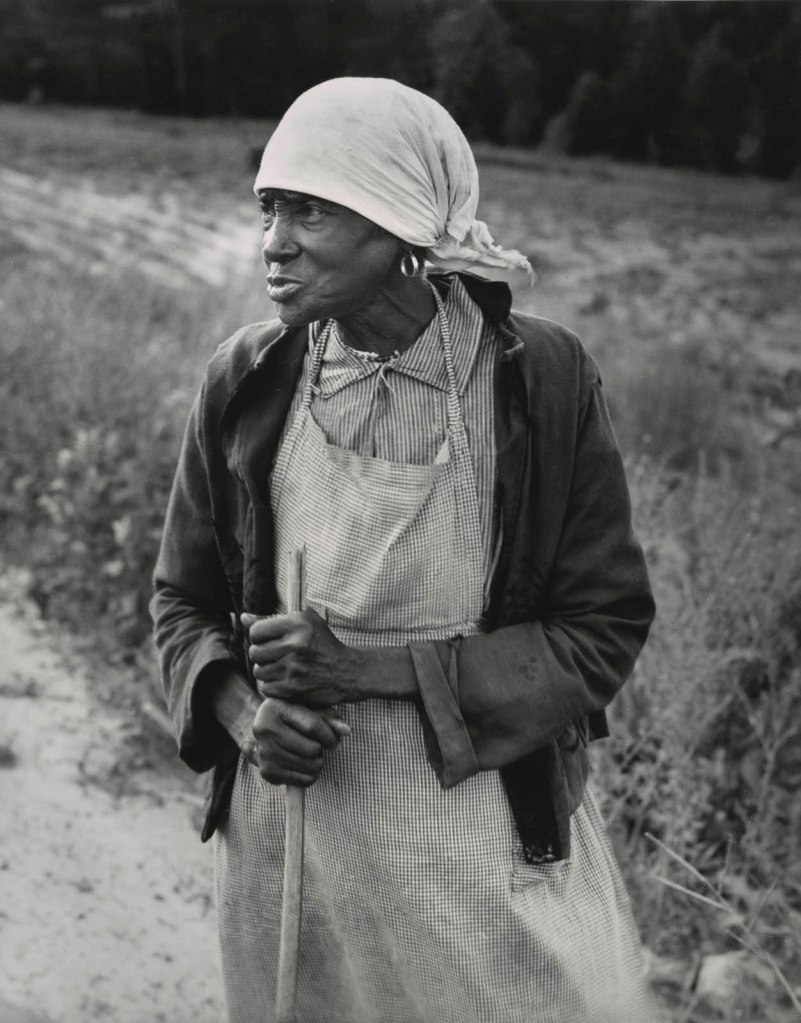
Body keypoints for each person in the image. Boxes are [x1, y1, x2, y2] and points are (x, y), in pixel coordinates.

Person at [151, 77, 656, 1023]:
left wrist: (362, 669)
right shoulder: (246, 379)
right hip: (292, 852)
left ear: (395, 223)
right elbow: (182, 601)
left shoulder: (535, 382)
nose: (274, 244)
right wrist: (241, 710)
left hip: (483, 854)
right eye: (268, 209)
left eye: (309, 211)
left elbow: (602, 629)